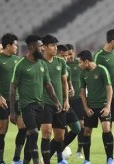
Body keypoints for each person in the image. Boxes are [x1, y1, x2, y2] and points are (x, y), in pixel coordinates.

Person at [9, 35, 62, 164]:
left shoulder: (42, 63)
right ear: (32, 47)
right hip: (26, 105)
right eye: (40, 47)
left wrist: (56, 101)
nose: (42, 49)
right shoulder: (21, 65)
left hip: (40, 105)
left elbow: (48, 85)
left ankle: (26, 161)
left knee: (31, 136)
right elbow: (12, 88)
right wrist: (12, 111)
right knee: (33, 133)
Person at [0, 33, 27, 164]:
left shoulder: (18, 60)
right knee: (2, 130)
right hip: (3, 101)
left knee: (23, 127)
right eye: (15, 45)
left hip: (17, 100)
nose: (17, 47)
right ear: (8, 46)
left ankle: (17, 158)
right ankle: (0, 160)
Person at [78, 50, 114, 164]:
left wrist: (108, 107)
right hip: (91, 107)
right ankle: (87, 160)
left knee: (106, 128)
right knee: (87, 131)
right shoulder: (82, 74)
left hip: (103, 105)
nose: (79, 65)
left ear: (86, 61)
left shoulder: (102, 70)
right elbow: (82, 93)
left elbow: (109, 89)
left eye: (80, 62)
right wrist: (86, 108)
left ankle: (110, 159)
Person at [40, 35, 70, 164]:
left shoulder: (60, 62)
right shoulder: (39, 62)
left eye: (56, 45)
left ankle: (59, 158)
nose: (55, 48)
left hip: (59, 104)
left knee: (60, 136)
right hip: (44, 103)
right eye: (52, 45)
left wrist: (66, 100)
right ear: (44, 47)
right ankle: (46, 161)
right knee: (46, 132)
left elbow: (64, 83)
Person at [48, 45, 81, 160]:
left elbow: (68, 83)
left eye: (67, 56)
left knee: (77, 128)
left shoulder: (68, 68)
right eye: (63, 56)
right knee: (59, 135)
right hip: (53, 104)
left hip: (65, 103)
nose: (65, 58)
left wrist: (71, 89)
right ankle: (51, 157)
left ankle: (58, 150)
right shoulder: (50, 66)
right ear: (56, 55)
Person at [94, 29, 114, 122]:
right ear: (112, 41)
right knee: (107, 126)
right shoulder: (99, 56)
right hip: (109, 97)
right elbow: (95, 76)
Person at [65, 44, 85, 159]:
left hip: (78, 98)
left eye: (70, 53)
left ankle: (79, 150)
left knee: (81, 125)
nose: (69, 56)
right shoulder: (63, 64)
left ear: (74, 52)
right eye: (67, 54)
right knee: (64, 126)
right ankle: (62, 147)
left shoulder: (79, 63)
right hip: (66, 99)